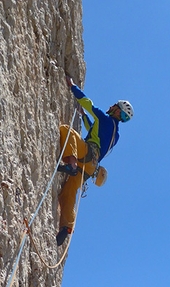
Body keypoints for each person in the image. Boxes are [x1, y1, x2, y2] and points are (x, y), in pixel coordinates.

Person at [56, 75, 134, 246]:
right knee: (69, 192)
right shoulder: (116, 135)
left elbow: (88, 103)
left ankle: (71, 164)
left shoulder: (105, 118)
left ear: (117, 111)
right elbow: (94, 129)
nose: (111, 106)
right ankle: (66, 227)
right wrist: (83, 117)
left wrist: (73, 87)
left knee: (66, 130)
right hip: (91, 168)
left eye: (115, 106)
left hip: (86, 154)